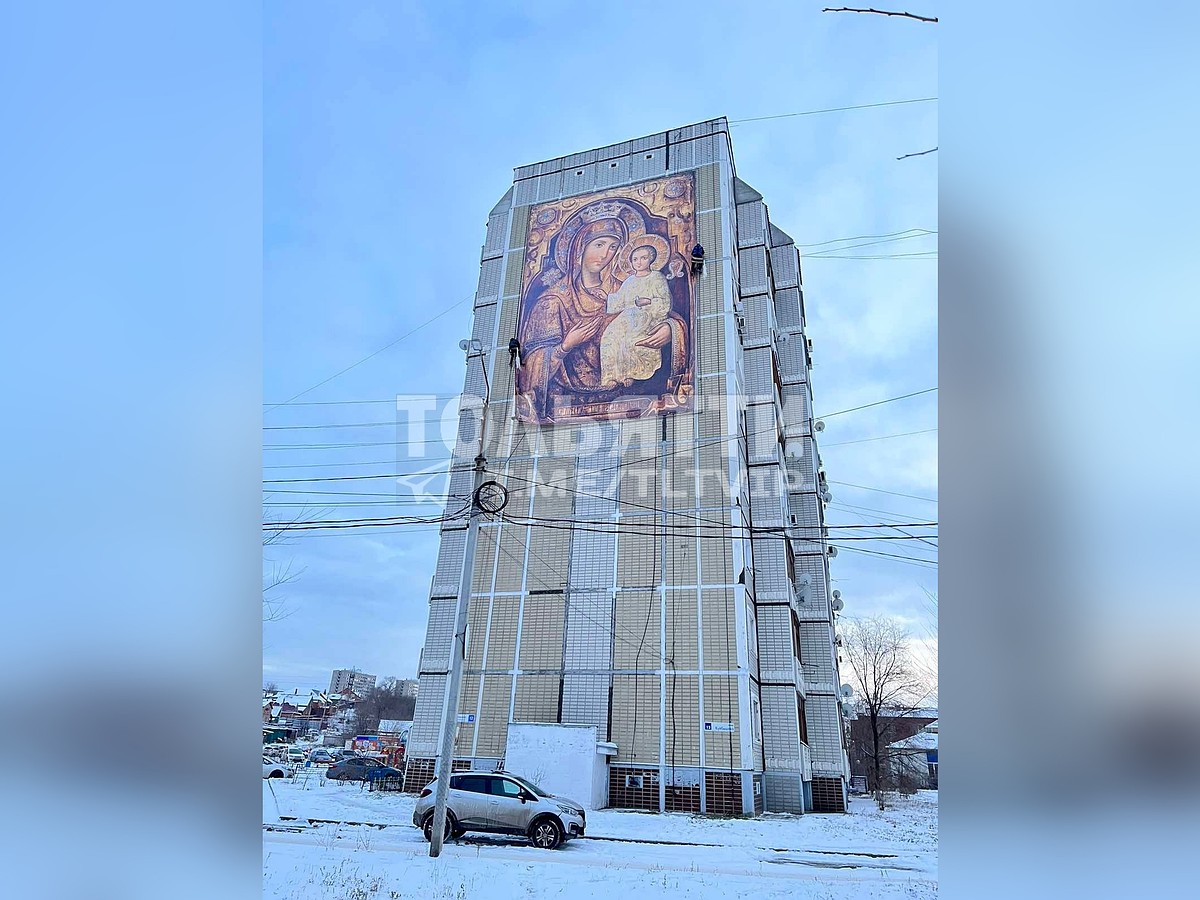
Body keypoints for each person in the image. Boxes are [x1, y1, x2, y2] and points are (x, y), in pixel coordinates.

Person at [599, 238, 672, 387]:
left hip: (648, 318)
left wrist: (649, 302)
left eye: (643, 258)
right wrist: (606, 298)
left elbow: (665, 302)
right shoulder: (629, 281)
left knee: (629, 341)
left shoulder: (656, 277)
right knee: (610, 337)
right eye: (635, 259)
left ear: (651, 259)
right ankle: (612, 376)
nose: (639, 262)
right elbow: (619, 300)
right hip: (627, 317)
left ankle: (630, 373)